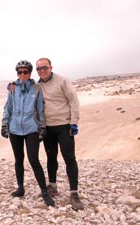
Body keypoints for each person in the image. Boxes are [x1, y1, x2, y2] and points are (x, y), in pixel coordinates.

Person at [8, 58, 84, 210]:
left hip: (63, 125)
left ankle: (74, 193)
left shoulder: (62, 80)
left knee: (69, 158)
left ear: (50, 67)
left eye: (44, 68)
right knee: (51, 157)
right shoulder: (38, 85)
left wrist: (74, 122)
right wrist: (13, 85)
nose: (42, 71)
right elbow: (25, 87)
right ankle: (52, 186)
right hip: (47, 127)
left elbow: (73, 101)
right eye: (39, 69)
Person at [1, 60, 55, 207]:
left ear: (30, 73)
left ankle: (44, 192)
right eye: (19, 72)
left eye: (25, 72)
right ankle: (20, 188)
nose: (22, 74)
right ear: (17, 74)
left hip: (31, 129)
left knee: (33, 159)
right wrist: (4, 124)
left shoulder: (37, 88)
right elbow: (8, 108)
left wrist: (42, 127)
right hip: (15, 130)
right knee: (18, 159)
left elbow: (41, 109)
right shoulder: (12, 88)